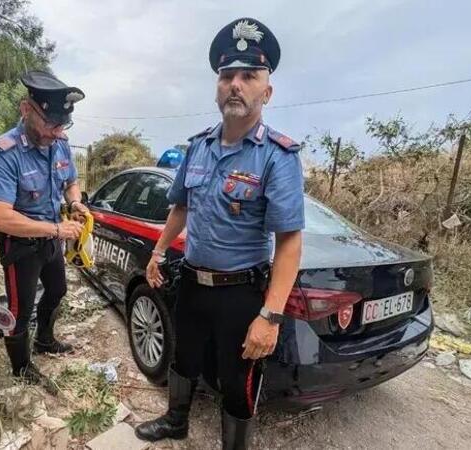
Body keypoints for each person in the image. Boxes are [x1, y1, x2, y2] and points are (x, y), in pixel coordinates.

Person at [135, 18, 305, 450]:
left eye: (249, 76)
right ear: (216, 87)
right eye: (227, 75)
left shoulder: (277, 157)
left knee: (237, 379)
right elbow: (180, 207)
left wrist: (270, 316)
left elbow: (289, 241)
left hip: (240, 293)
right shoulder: (197, 148)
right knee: (183, 357)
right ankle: (176, 421)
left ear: (266, 92)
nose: (236, 84)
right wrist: (157, 253)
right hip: (192, 281)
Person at [0, 70, 89, 383]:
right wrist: (56, 230)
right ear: (26, 109)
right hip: (21, 246)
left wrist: (75, 203)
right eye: (50, 123)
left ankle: (45, 340)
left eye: (62, 124)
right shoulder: (4, 153)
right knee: (20, 308)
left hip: (51, 238)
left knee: (57, 290)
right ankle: (21, 369)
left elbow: (71, 181)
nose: (56, 132)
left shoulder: (60, 143)